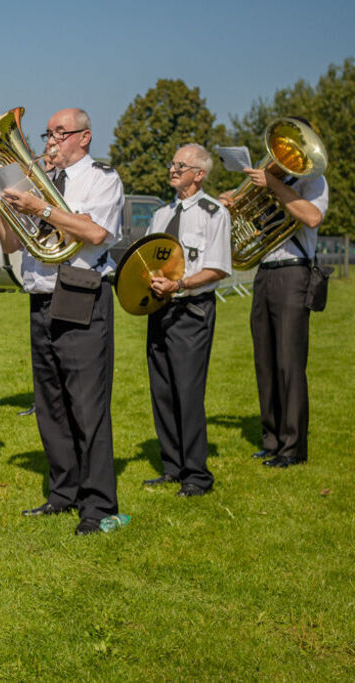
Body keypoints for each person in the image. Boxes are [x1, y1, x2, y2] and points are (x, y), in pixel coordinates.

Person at [0, 108, 123, 535]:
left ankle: (99, 504)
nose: (51, 141)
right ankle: (63, 493)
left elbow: (95, 234)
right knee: (50, 404)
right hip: (40, 296)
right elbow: (13, 242)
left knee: (87, 405)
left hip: (81, 291)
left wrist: (41, 206)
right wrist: (5, 204)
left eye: (60, 133)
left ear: (85, 137)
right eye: (48, 133)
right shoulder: (39, 184)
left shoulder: (102, 178)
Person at [221, 121, 329, 469]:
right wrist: (231, 203)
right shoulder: (273, 179)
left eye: (295, 147)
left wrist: (274, 185)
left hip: (294, 273)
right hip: (265, 272)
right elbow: (250, 219)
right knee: (265, 361)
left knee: (289, 362)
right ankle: (272, 440)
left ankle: (293, 447)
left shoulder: (313, 181)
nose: (286, 153)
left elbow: (311, 217)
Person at [143, 144, 231, 496]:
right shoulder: (161, 214)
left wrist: (179, 285)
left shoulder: (214, 213)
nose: (173, 169)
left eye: (182, 165)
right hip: (158, 309)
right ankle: (172, 466)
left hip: (191, 310)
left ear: (200, 174)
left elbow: (217, 268)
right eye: (173, 163)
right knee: (162, 389)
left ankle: (197, 475)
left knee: (188, 392)